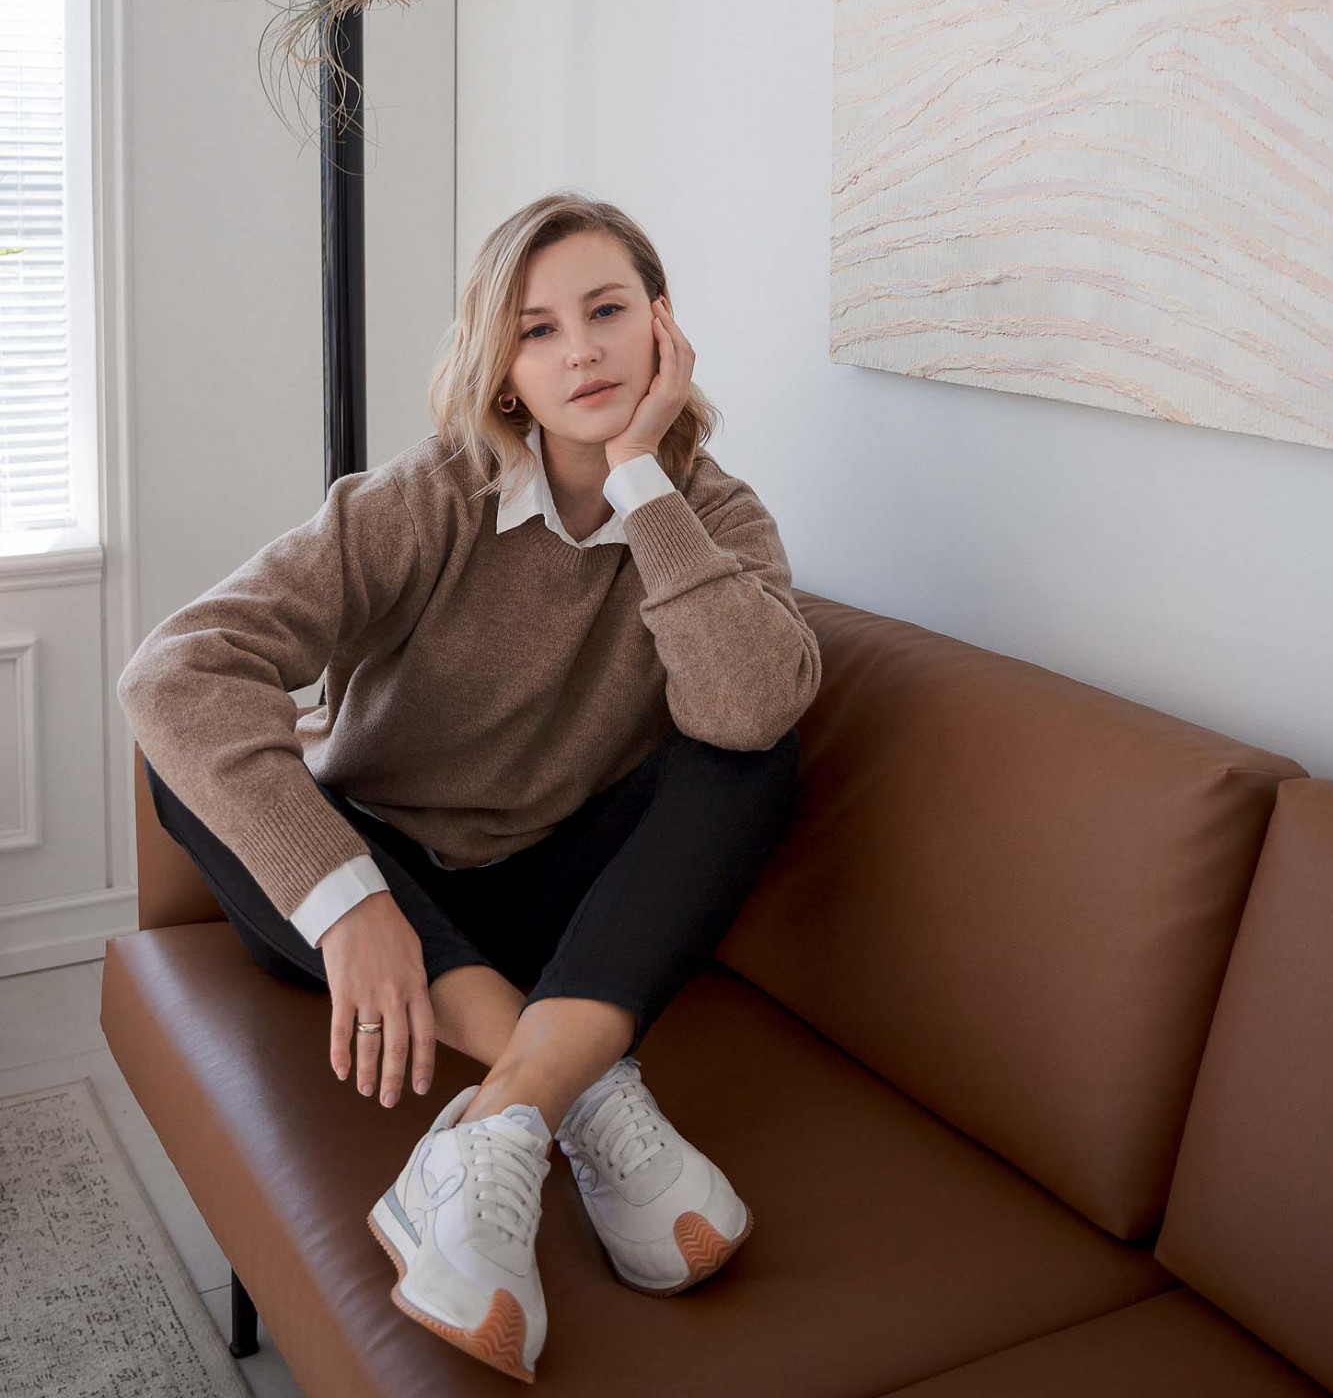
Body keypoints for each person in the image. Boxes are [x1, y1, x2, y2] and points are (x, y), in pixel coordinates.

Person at [119, 189, 820, 1383]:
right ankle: (581, 1089)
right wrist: (351, 904)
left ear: (663, 327)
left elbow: (749, 707)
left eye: (607, 310)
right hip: (390, 898)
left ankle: (500, 1118)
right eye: (539, 328)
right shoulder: (428, 497)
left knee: (754, 747)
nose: (581, 350)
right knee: (180, 759)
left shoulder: (714, 515)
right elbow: (175, 669)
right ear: (503, 367)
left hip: (559, 900)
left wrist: (644, 481)